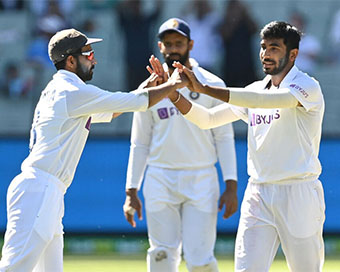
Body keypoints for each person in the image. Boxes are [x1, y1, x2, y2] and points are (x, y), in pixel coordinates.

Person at [0, 28, 186, 272]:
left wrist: (149, 86)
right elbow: (135, 102)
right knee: (14, 268)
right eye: (88, 53)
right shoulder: (72, 91)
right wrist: (172, 85)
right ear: (70, 60)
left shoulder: (66, 91)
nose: (94, 59)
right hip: (40, 189)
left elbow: (116, 108)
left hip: (47, 190)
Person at [150, 21, 325, 272]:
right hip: (258, 193)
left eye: (274, 48)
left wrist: (204, 89)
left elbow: (264, 101)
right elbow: (208, 119)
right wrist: (174, 95)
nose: (266, 54)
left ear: (293, 54)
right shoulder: (255, 89)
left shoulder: (307, 87)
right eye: (263, 47)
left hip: (298, 192)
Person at [123, 18, 238, 272]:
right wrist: (132, 189)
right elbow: (139, 142)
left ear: (191, 44)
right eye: (168, 43)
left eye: (179, 43)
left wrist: (231, 183)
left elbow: (224, 137)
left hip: (201, 177)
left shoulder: (211, 84)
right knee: (161, 254)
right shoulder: (151, 88)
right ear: (160, 46)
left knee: (200, 258)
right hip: (160, 177)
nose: (174, 48)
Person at [219, 0, 258, 87]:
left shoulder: (246, 22)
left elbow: (255, 30)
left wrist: (246, 14)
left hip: (247, 64)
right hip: (230, 65)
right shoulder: (225, 22)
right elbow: (225, 35)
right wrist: (233, 18)